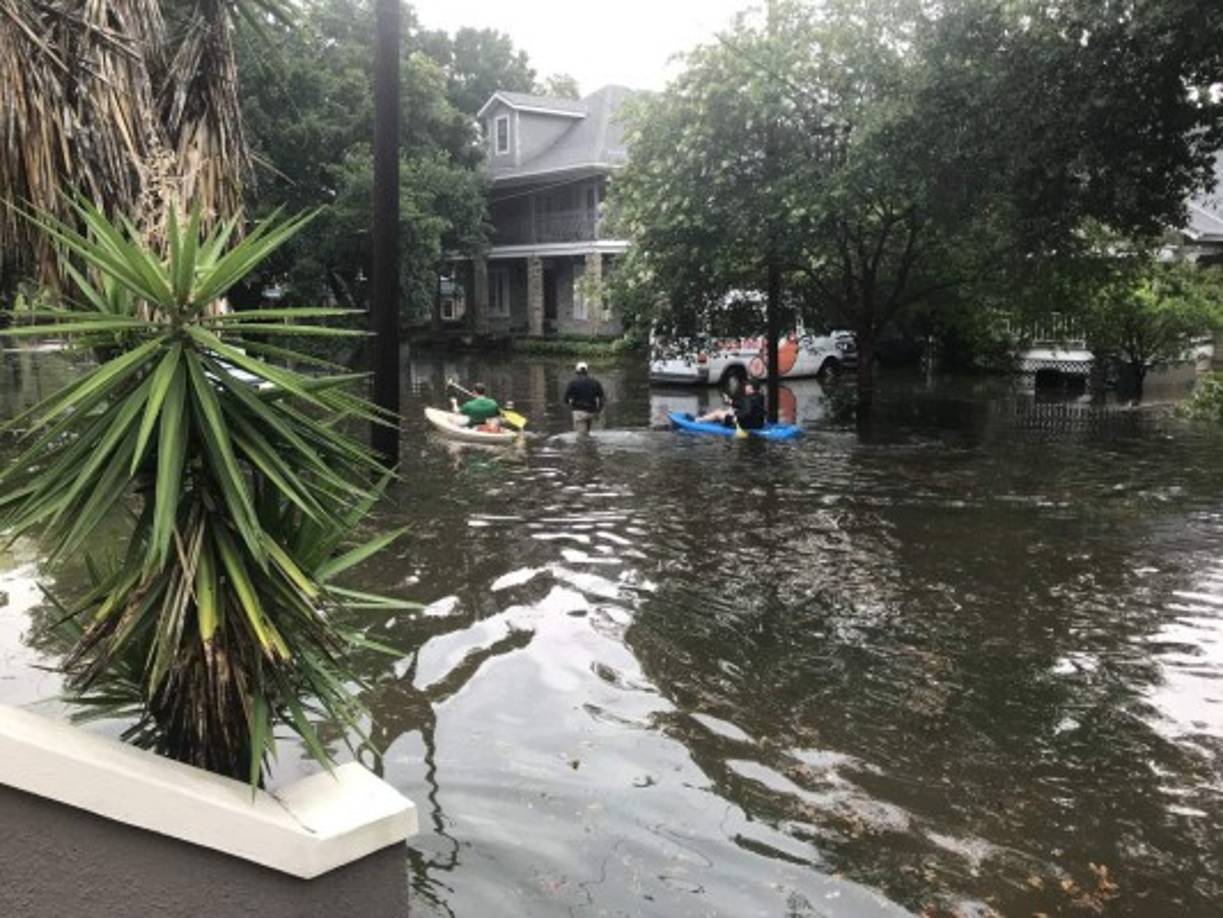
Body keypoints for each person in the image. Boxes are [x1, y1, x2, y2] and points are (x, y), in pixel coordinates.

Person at [697, 379, 767, 430]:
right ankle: (708, 419)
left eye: (747, 386)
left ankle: (699, 420)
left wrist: (735, 418)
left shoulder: (748, 399)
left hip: (747, 425)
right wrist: (730, 402)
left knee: (718, 413)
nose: (745, 387)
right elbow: (744, 406)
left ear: (751, 388)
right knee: (730, 410)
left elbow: (746, 412)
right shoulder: (759, 397)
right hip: (759, 424)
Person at [563, 362, 605, 434]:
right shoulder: (595, 382)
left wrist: (571, 404)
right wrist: (598, 411)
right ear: (587, 371)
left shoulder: (573, 383)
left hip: (578, 412)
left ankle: (584, 444)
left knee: (581, 437)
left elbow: (565, 399)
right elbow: (602, 399)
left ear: (577, 371)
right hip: (592, 411)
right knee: (590, 433)